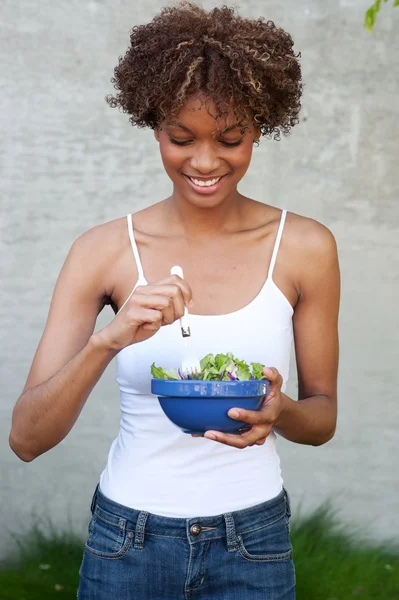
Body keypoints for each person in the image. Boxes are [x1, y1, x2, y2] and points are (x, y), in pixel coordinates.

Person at [9, 3, 340, 599]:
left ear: (261, 126)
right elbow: (27, 438)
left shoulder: (306, 247)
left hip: (254, 542)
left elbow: (322, 421)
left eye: (231, 139)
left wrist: (278, 413)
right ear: (153, 124)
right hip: (126, 543)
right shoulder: (103, 251)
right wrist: (108, 341)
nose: (206, 162)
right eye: (180, 138)